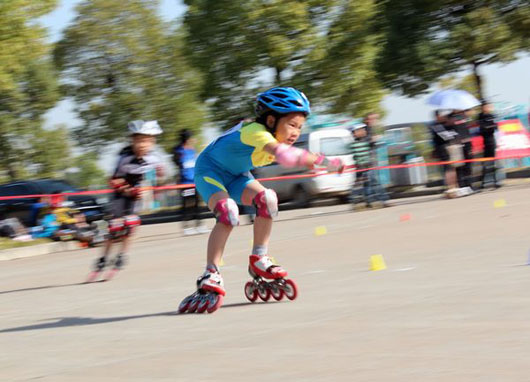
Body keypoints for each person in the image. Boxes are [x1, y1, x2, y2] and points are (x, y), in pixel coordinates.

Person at [178, 87, 343, 313]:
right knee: (228, 212)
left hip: (237, 175)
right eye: (292, 125)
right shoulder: (255, 131)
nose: (296, 133)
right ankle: (211, 272)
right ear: (271, 120)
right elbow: (286, 157)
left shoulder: (274, 136)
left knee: (268, 199)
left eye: (300, 127)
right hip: (210, 171)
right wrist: (326, 162)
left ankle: (259, 258)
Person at [87, 120, 164, 281]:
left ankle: (122, 255)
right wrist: (128, 189)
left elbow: (160, 176)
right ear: (132, 141)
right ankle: (103, 258)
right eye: (138, 140)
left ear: (152, 142)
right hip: (120, 192)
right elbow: (113, 179)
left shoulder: (155, 158)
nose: (142, 145)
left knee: (130, 224)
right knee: (114, 227)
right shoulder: (124, 157)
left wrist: (149, 186)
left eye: (146, 141)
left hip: (136, 194)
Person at [173, 129, 209, 235]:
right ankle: (186, 227)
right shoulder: (178, 150)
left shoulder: (192, 150)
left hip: (195, 181)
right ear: (187, 139)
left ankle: (199, 225)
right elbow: (178, 163)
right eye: (192, 138)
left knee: (198, 203)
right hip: (185, 182)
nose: (194, 140)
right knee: (187, 204)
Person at [349, 123, 389, 208]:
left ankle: (378, 201)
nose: (364, 131)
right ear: (355, 133)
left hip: (368, 167)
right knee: (364, 185)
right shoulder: (354, 144)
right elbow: (356, 156)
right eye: (361, 130)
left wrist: (375, 140)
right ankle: (368, 201)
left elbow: (374, 144)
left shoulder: (366, 141)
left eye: (364, 129)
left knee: (371, 184)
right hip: (361, 168)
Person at [430, 110, 459, 193]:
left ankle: (454, 186)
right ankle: (449, 187)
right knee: (447, 169)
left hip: (449, 148)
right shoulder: (435, 126)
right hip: (442, 149)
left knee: (452, 167)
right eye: (441, 115)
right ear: (437, 116)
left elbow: (454, 134)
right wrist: (451, 133)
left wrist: (451, 129)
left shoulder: (444, 125)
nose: (443, 117)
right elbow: (446, 137)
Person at [478, 101, 500, 189]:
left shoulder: (492, 115)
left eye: (488, 106)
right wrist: (489, 126)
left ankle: (495, 181)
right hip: (485, 142)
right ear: (483, 107)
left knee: (494, 163)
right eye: (485, 106)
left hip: (492, 141)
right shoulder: (480, 116)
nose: (487, 108)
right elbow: (482, 129)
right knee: (485, 164)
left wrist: (490, 126)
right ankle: (483, 182)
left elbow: (496, 127)